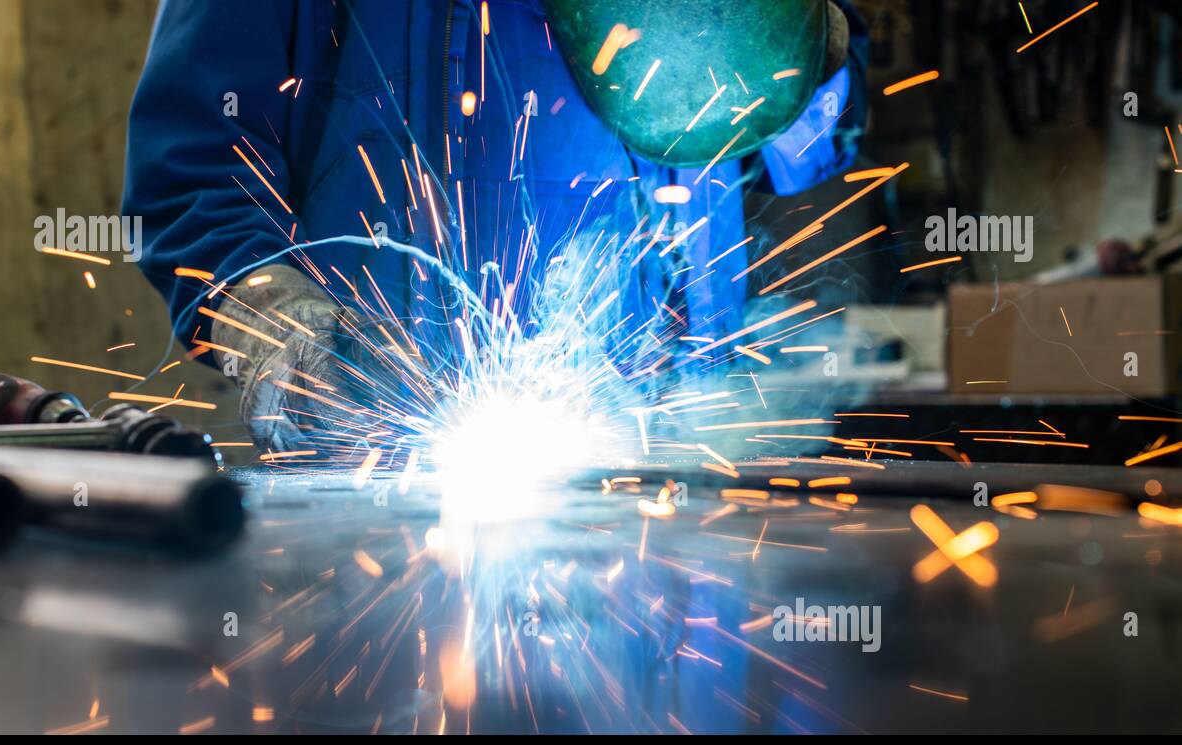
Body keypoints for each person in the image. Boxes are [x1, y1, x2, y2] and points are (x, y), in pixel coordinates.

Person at [123, 0, 868, 453]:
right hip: (394, 469)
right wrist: (273, 325)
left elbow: (809, 150)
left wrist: (807, 46)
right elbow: (191, 165)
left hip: (688, 449)